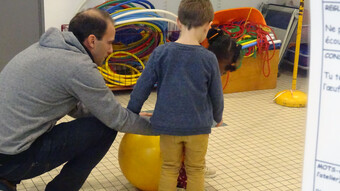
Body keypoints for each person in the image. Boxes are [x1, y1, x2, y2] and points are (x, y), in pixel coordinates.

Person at [0, 8, 155, 191]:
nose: (111, 50)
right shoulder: (79, 66)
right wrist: (158, 127)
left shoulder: (42, 48)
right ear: (91, 41)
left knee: (103, 119)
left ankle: (6, 180)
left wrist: (129, 116)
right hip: (12, 159)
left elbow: (75, 108)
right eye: (109, 43)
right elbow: (116, 119)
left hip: (6, 152)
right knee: (106, 128)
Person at [127, 0, 222, 190]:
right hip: (198, 127)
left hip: (168, 126)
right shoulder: (208, 58)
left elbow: (142, 86)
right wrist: (217, 117)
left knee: (169, 168)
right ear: (208, 25)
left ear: (178, 21)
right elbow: (216, 94)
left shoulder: (161, 53)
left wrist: (131, 111)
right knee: (195, 169)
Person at [176, 27, 242, 190]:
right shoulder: (209, 65)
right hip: (193, 122)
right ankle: (185, 176)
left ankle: (183, 174)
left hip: (181, 118)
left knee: (186, 154)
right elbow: (216, 98)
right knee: (192, 157)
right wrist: (218, 116)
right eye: (227, 67)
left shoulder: (202, 59)